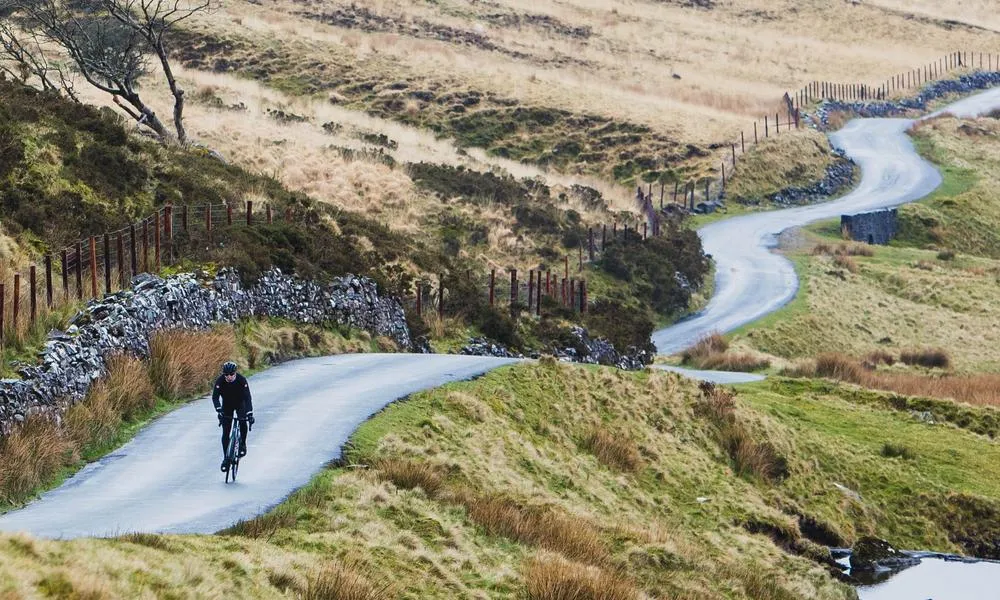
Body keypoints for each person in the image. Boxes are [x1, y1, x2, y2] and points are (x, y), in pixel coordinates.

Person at [212, 361, 255, 472]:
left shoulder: (241, 380)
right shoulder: (220, 381)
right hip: (227, 406)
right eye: (226, 374)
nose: (229, 377)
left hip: (240, 404)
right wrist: (219, 409)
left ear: (235, 373)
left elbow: (248, 398)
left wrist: (249, 413)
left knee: (242, 422)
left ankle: (243, 445)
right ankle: (226, 458)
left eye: (231, 374)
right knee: (226, 432)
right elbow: (215, 397)